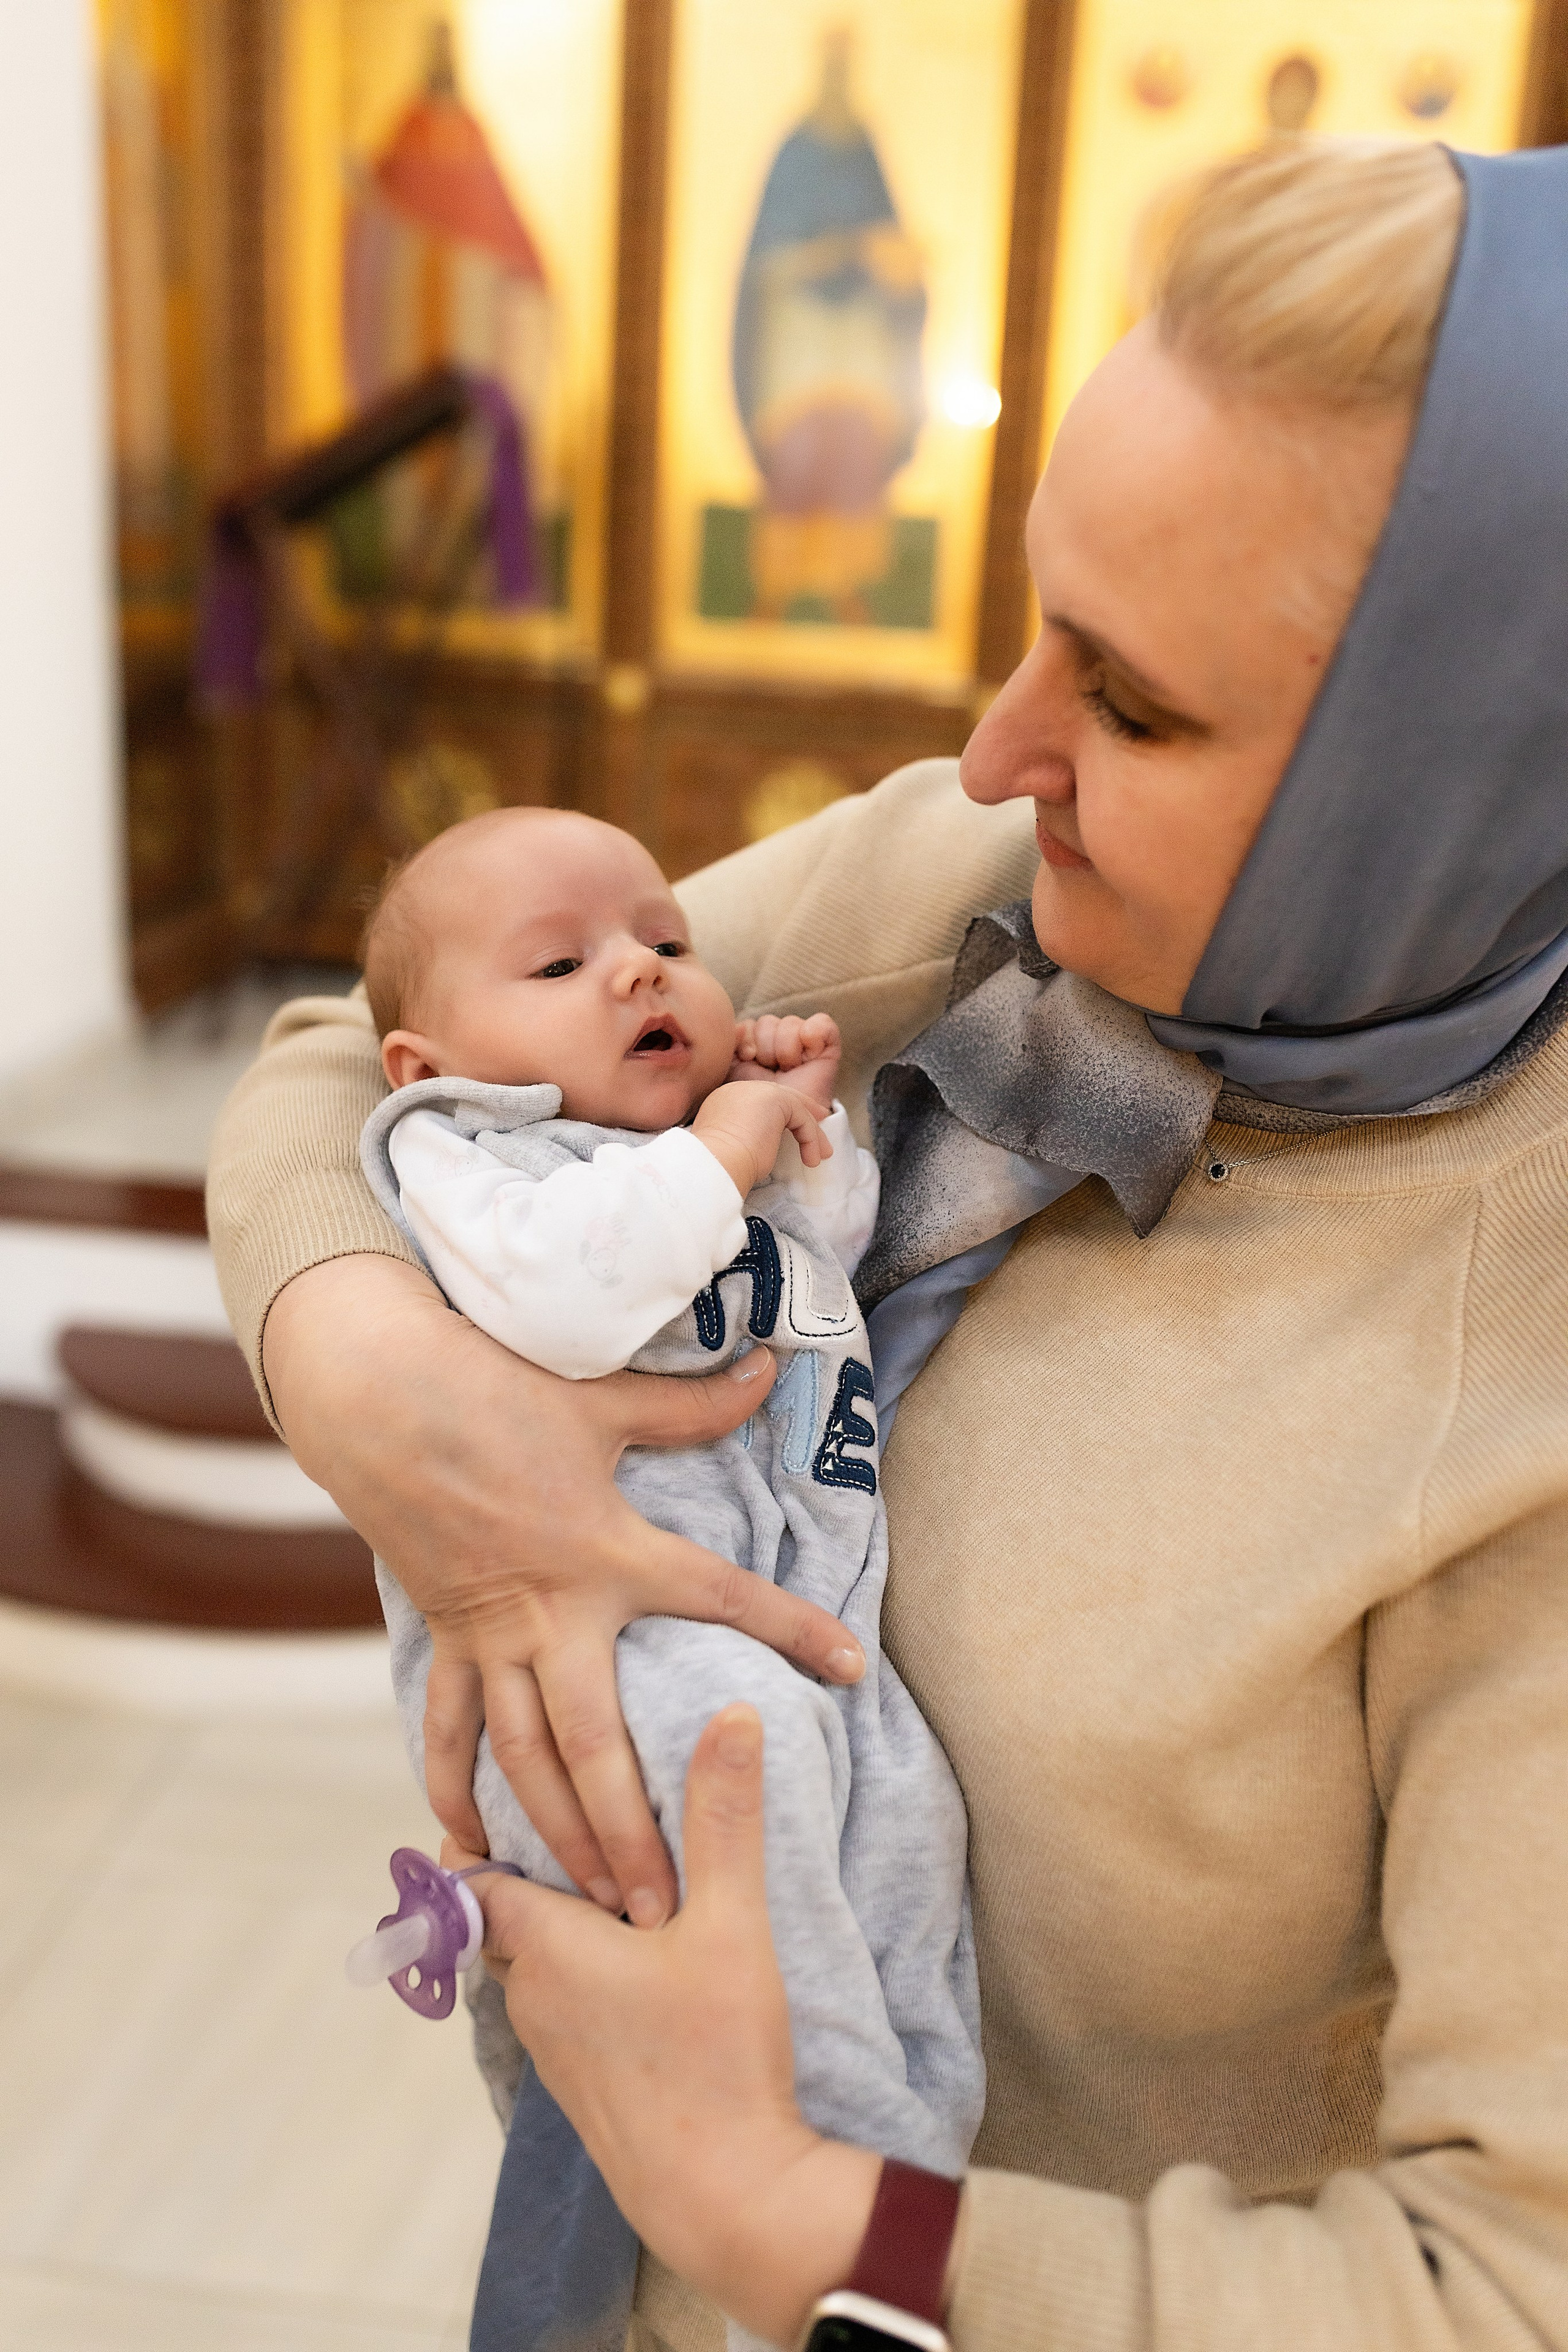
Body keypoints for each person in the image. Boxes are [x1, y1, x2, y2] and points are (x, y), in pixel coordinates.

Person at [208, 137, 1568, 2351]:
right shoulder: (998, 870)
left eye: (1132, 702)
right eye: (1034, 624)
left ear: (1454, 775)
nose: (993, 747)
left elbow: (1506, 2295)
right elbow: (345, 1069)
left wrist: (806, 2220)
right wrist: (405, 1402)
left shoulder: (1525, 1368)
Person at [355, 805, 981, 2352]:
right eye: (563, 960)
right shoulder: (468, 1157)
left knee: (911, 1843)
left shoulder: (692, 1145)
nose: (637, 967)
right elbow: (577, 1296)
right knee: (742, 1842)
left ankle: (911, 2164)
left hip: (807, 1632)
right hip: (618, 1656)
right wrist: (721, 1144)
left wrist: (798, 1128)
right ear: (430, 1062)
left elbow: (813, 1264)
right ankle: (834, 2184)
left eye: (667, 944)